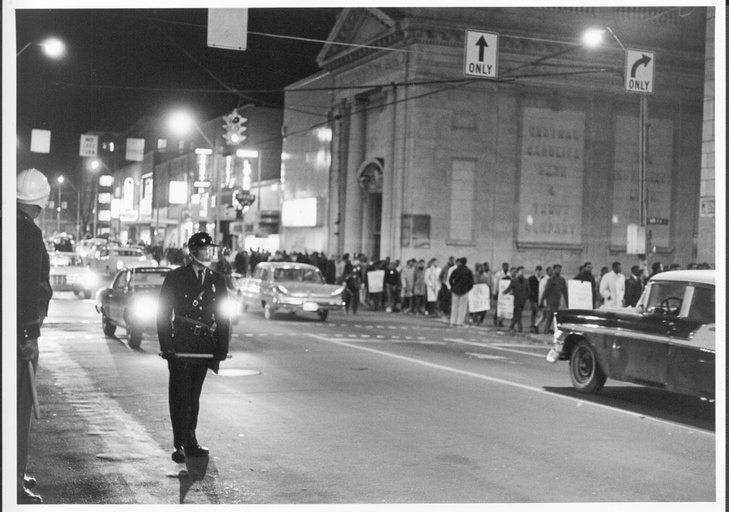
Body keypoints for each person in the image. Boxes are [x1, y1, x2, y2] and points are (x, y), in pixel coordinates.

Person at [157, 232, 231, 464]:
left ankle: (191, 439)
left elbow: (223, 315)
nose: (208, 254)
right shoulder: (176, 276)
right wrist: (166, 344)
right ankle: (179, 442)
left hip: (203, 345)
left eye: (210, 249)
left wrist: (221, 347)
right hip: (181, 343)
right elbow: (163, 312)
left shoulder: (217, 280)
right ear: (192, 252)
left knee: (194, 396)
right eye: (203, 250)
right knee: (179, 395)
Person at [16, 169, 53, 504]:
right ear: (41, 203)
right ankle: (13, 483)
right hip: (18, 339)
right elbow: (29, 290)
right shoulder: (28, 234)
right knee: (18, 410)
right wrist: (30, 334)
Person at [540, 264, 568, 334]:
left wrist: (568, 302)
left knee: (550, 316)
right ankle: (556, 331)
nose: (558, 270)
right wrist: (542, 300)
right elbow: (546, 291)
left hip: (558, 301)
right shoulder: (551, 279)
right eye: (557, 269)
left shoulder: (562, 280)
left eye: (559, 269)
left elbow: (565, 292)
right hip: (552, 301)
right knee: (556, 316)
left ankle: (546, 330)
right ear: (554, 270)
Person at [448, 257, 474, 327]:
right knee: (462, 307)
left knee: (454, 306)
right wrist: (468, 289)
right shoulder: (468, 271)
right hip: (464, 290)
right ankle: (460, 322)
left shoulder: (456, 270)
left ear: (460, 262)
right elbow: (471, 282)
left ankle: (452, 322)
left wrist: (452, 287)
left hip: (455, 289)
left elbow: (450, 279)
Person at [504, 266, 530, 333]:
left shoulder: (526, 281)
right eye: (521, 271)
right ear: (518, 272)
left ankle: (513, 327)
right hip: (515, 300)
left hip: (522, 301)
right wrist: (503, 293)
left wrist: (526, 297)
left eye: (523, 271)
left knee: (518, 315)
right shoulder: (514, 280)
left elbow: (528, 290)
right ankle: (519, 328)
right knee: (518, 315)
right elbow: (509, 288)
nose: (522, 273)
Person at [527, 265, 544, 333]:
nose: (539, 272)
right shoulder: (531, 278)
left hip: (539, 298)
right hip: (533, 298)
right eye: (538, 271)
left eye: (540, 271)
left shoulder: (542, 278)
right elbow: (529, 287)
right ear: (536, 271)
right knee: (536, 311)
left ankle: (533, 324)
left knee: (534, 312)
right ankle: (534, 325)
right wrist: (530, 295)